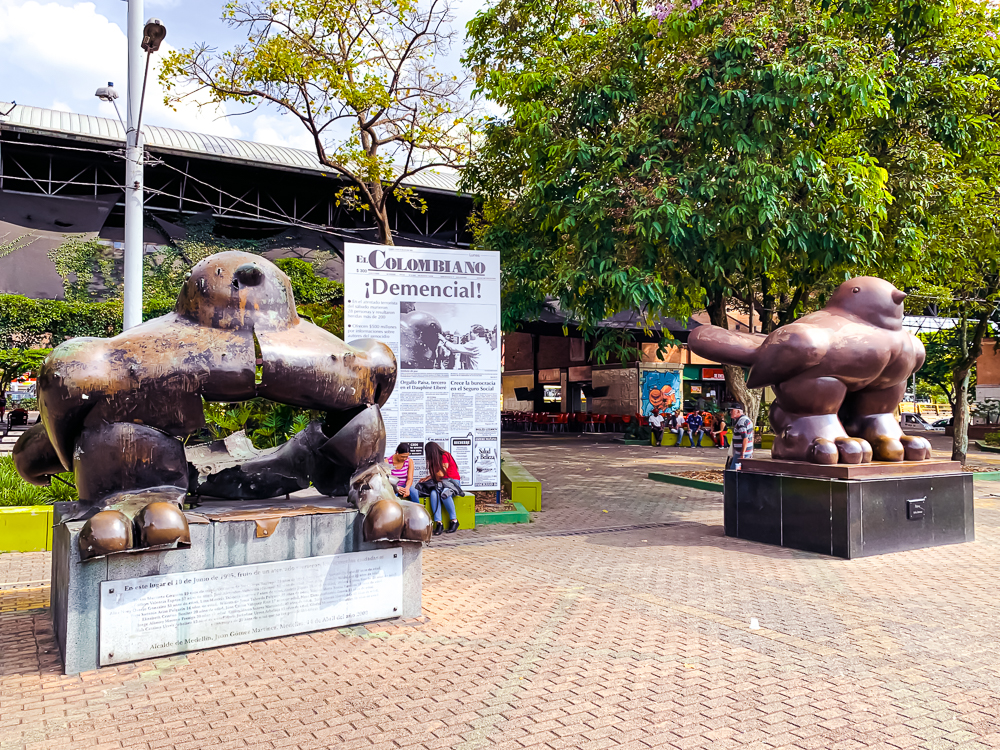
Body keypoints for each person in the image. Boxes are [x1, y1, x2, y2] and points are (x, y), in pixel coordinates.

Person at [410, 441, 463, 535]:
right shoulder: (435, 460)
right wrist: (427, 478)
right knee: (434, 494)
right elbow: (438, 475)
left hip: (452, 482)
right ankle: (439, 523)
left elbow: (442, 473)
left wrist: (433, 476)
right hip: (441, 483)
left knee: (444, 494)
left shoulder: (445, 455)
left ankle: (454, 520)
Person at [727, 403, 755, 470]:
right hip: (747, 451)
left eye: (732, 410)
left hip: (741, 453)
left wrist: (742, 454)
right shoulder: (746, 419)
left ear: (738, 411)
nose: (730, 412)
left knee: (733, 471)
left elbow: (745, 438)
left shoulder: (741, 422)